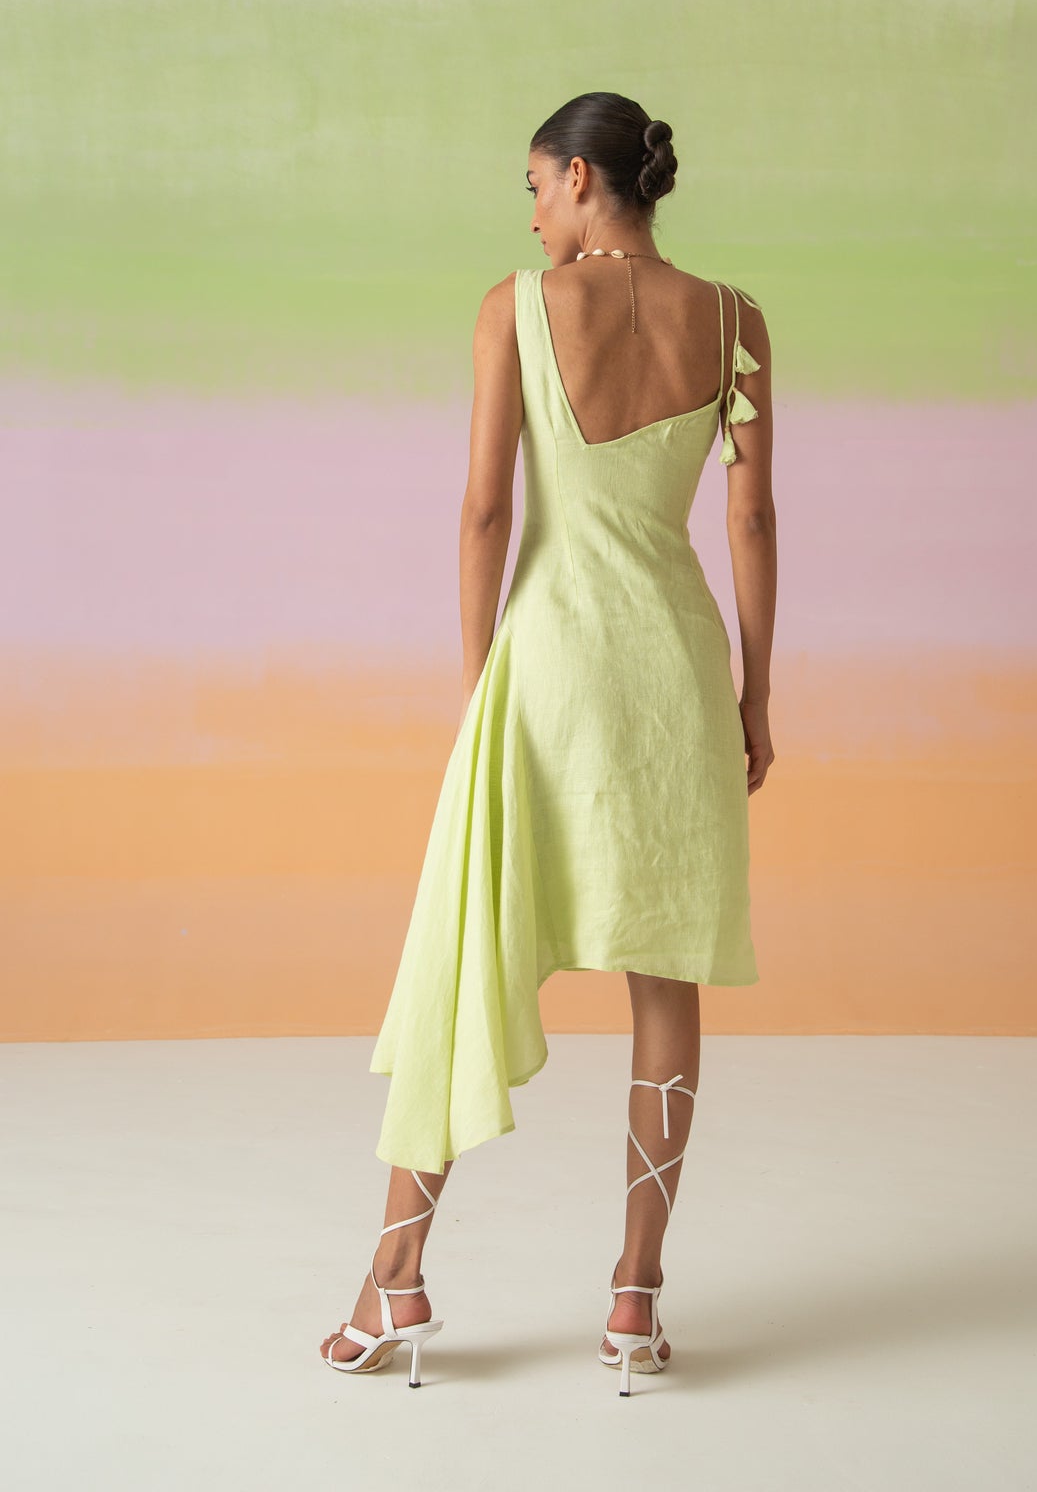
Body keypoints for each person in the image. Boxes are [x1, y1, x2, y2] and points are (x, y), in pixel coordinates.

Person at [320, 91, 777, 1394]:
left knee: (464, 949)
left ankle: (397, 1276)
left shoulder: (516, 308)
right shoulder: (734, 321)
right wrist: (756, 697)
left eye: (534, 186)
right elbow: (752, 521)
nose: (530, 214)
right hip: (676, 668)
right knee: (666, 980)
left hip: (550, 664)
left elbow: (483, 512)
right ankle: (636, 1299)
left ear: (581, 178)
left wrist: (478, 686)